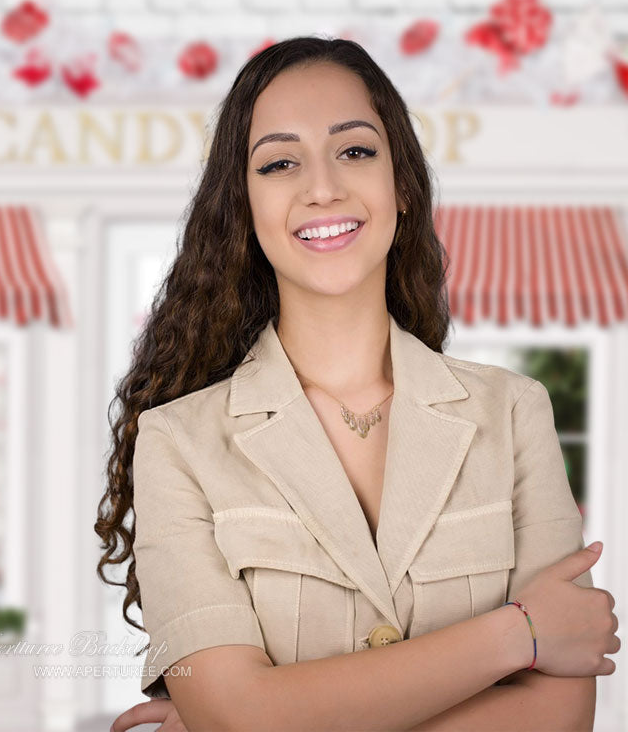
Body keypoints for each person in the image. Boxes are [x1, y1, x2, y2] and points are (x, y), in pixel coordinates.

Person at [96, 36, 619, 732]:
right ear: (243, 208)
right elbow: (237, 715)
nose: (322, 187)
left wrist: (265, 717)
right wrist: (517, 635)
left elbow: (558, 718)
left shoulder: (515, 414)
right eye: (280, 163)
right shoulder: (177, 443)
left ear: (400, 182)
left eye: (355, 150)